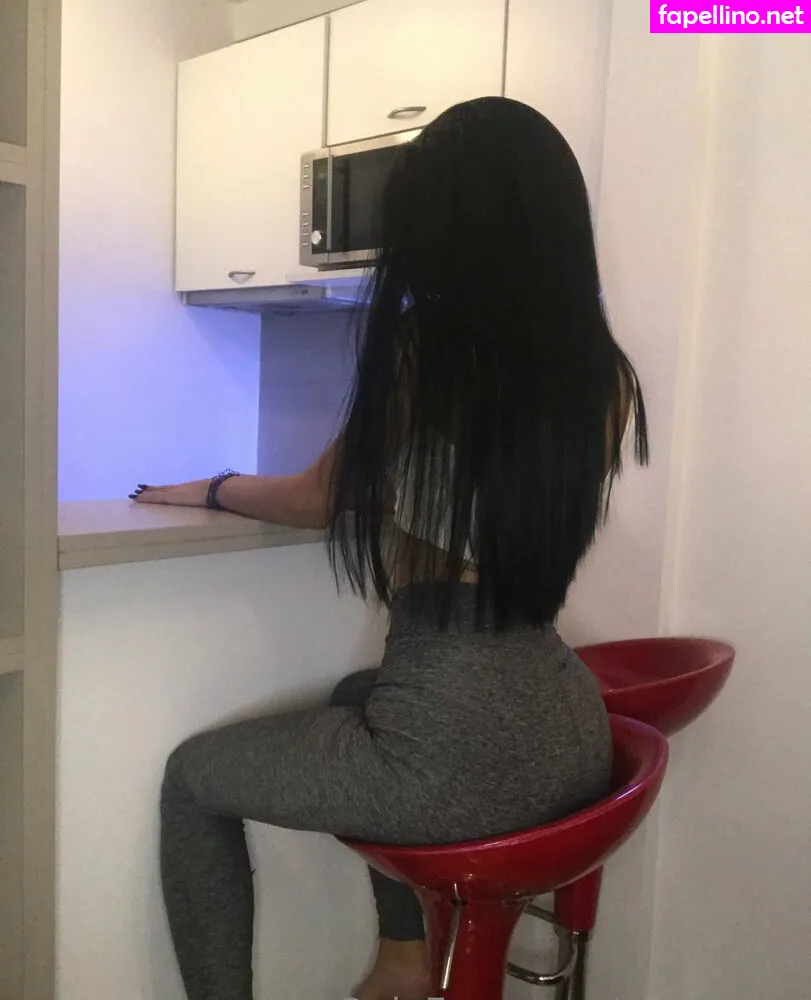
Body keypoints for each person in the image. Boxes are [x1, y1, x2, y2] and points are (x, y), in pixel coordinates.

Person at [132, 96, 648, 1000]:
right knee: (354, 695)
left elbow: (315, 500)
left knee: (192, 780)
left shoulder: (426, 352)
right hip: (571, 733)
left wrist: (212, 486)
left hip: (459, 750)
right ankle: (404, 958)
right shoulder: (602, 373)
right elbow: (484, 501)